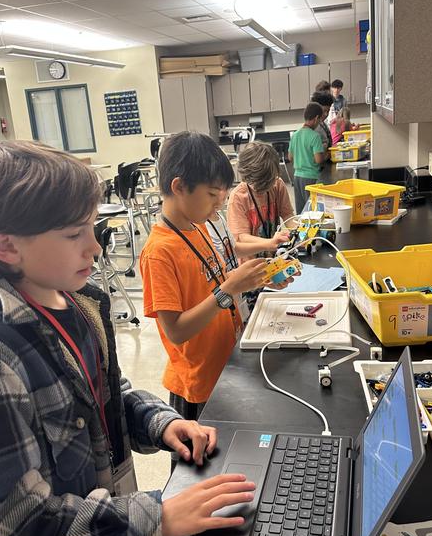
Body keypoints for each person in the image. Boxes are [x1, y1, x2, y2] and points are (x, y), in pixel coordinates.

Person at [0, 141, 256, 536]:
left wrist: (160, 423)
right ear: (7, 246)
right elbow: (16, 531)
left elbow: (106, 394)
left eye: (92, 228)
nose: (96, 248)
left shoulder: (77, 305)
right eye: (73, 234)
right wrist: (158, 515)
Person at [140, 132, 268, 423]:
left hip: (224, 363)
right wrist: (227, 290)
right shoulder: (159, 252)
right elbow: (176, 331)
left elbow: (222, 278)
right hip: (197, 386)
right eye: (212, 195)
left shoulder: (198, 228)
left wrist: (258, 278)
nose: (219, 204)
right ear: (179, 186)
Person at [226, 141, 295, 257]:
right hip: (251, 264)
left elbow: (288, 215)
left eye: (271, 180)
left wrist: (298, 231)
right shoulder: (238, 197)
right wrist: (269, 243)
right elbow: (241, 237)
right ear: (247, 176)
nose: (268, 186)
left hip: (274, 257)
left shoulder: (277, 185)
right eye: (262, 183)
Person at [288, 102, 328, 213]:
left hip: (297, 177)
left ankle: (301, 229)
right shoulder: (315, 136)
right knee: (312, 209)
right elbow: (318, 160)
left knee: (301, 210)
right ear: (316, 118)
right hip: (311, 177)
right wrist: (326, 155)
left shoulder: (295, 135)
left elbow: (290, 157)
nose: (319, 123)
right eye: (319, 120)